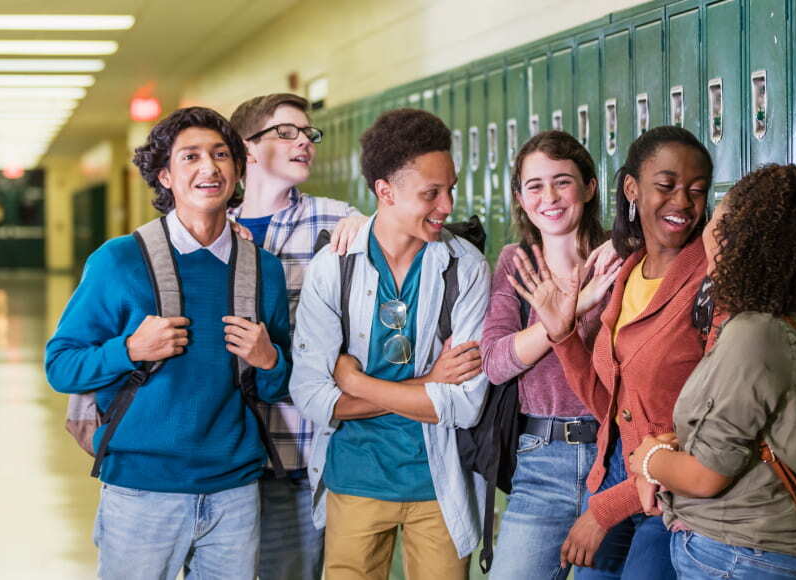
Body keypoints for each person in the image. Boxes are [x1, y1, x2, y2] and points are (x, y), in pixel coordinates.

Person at [45, 106, 292, 579]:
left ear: (238, 170)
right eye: (191, 156)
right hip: (140, 491)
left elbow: (281, 387)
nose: (209, 168)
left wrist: (269, 360)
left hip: (234, 492)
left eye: (222, 155)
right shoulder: (119, 261)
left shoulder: (264, 270)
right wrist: (130, 350)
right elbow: (61, 365)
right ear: (165, 175)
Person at [289, 108, 491, 580]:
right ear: (385, 191)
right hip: (355, 480)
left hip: (438, 484)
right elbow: (313, 396)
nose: (447, 205)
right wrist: (426, 386)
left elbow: (464, 405)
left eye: (451, 188)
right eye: (431, 193)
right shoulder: (333, 268)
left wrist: (356, 382)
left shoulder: (467, 268)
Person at [509, 126, 714, 578]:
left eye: (696, 191)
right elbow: (611, 406)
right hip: (616, 472)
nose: (681, 202)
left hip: (671, 495)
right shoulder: (628, 271)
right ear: (631, 189)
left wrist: (603, 510)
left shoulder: (709, 280)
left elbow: (710, 432)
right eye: (666, 186)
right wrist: (562, 335)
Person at [628, 164, 796, 580]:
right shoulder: (767, 325)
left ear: (738, 239)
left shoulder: (755, 334)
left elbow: (707, 476)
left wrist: (646, 459)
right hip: (735, 554)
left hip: (739, 558)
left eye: (720, 218)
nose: (709, 228)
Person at [228, 92, 368, 580]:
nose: (304, 142)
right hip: (224, 448)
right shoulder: (209, 227)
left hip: (299, 446)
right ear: (245, 148)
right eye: (286, 132)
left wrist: (368, 225)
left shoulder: (339, 221)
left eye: (308, 133)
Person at [482, 130, 620, 580]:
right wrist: (569, 313)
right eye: (534, 186)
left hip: (614, 457)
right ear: (520, 198)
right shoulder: (515, 263)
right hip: (542, 459)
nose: (550, 197)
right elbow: (497, 362)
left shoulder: (621, 261)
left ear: (590, 187)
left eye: (562, 181)